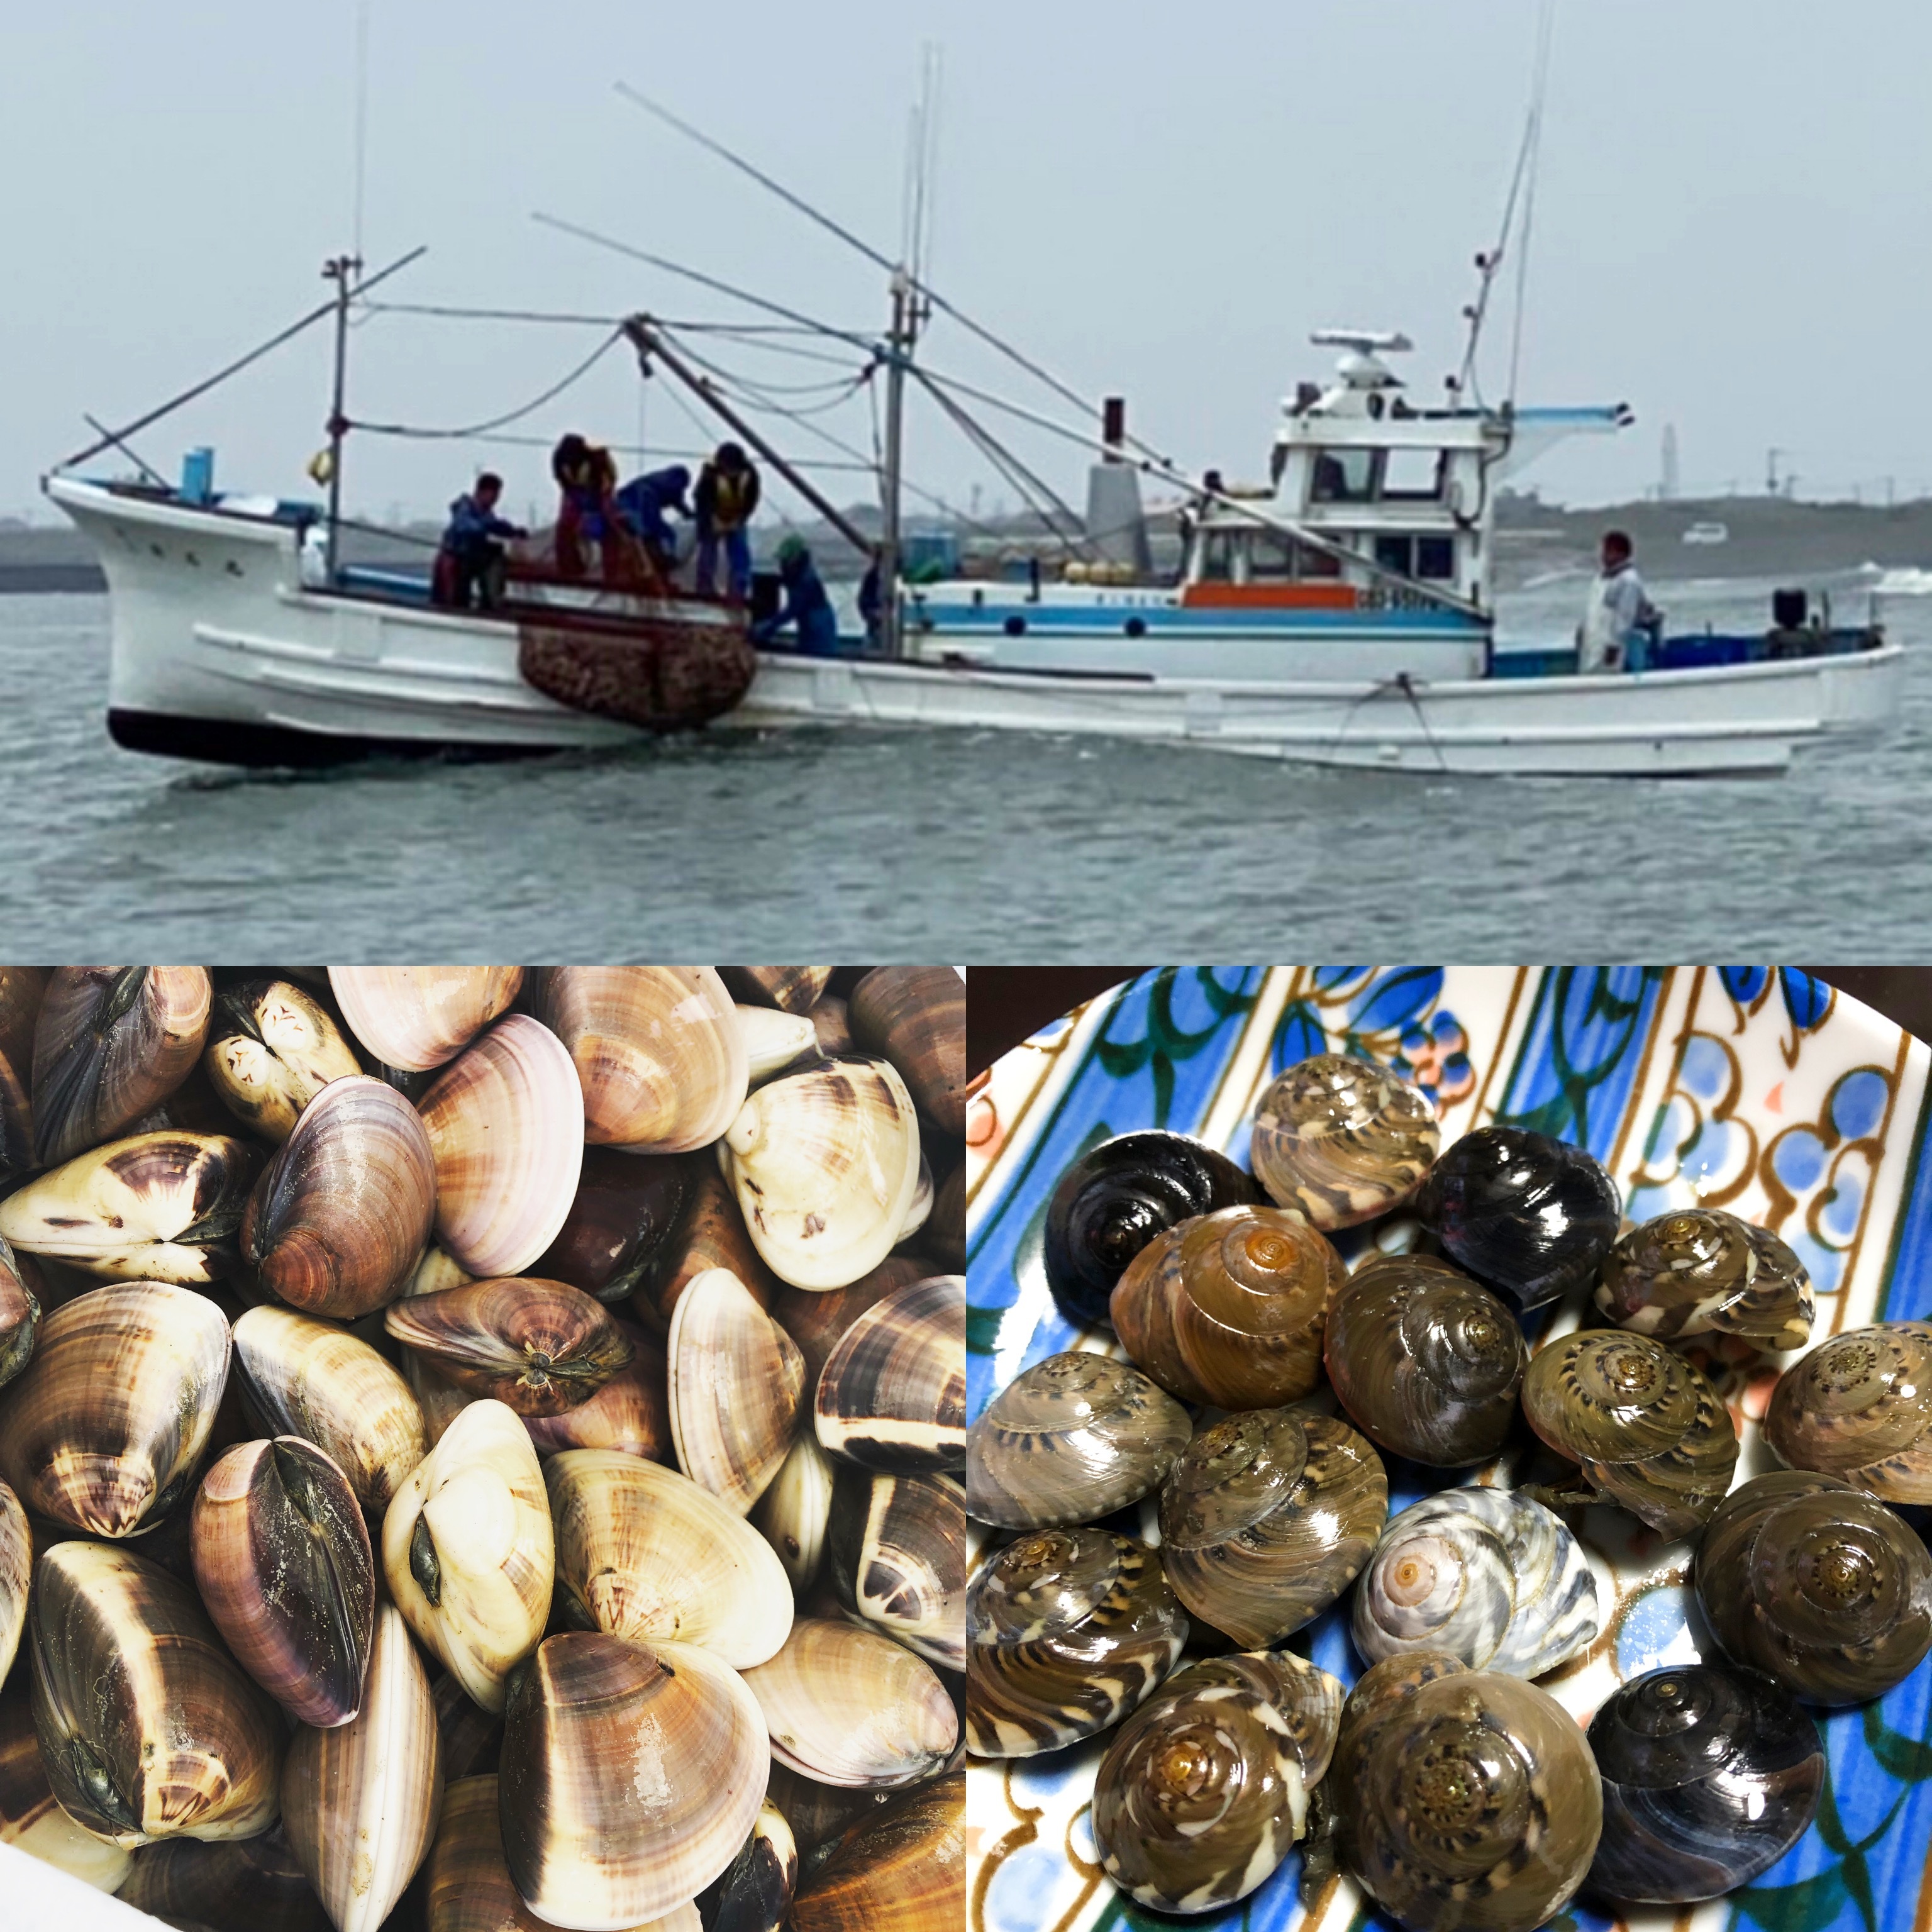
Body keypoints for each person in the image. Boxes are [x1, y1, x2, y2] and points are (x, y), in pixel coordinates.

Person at [433, 472, 526, 609]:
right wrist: (487, 528)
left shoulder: (488, 515)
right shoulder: (464, 509)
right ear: (482, 492)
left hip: (470, 565)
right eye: (493, 495)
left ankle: (490, 604)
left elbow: (496, 526)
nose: (495, 500)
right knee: (452, 601)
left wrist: (512, 531)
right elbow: (465, 526)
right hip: (455, 564)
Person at [1578, 530, 1660, 673]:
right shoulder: (1602, 579)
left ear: (1620, 554)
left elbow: (1624, 618)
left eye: (1607, 551)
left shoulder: (1628, 581)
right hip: (1594, 645)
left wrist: (1614, 646)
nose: (1602, 556)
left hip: (1612, 651)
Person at [750, 534, 838, 657]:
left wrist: (768, 625)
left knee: (818, 655)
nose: (783, 563)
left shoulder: (806, 580)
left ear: (796, 557)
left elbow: (793, 610)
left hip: (818, 624)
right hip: (809, 622)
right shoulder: (797, 574)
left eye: (786, 559)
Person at [550, 433, 623, 582]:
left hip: (599, 491)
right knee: (565, 528)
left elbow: (602, 487)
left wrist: (589, 513)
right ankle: (570, 568)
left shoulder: (597, 461)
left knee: (610, 530)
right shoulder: (559, 459)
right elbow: (564, 484)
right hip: (574, 491)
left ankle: (612, 573)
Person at [694, 442, 761, 601]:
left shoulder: (750, 474)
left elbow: (752, 499)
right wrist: (712, 520)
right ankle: (705, 588)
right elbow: (701, 499)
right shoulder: (709, 475)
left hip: (736, 517)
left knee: (740, 554)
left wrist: (741, 518)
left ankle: (738, 589)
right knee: (708, 552)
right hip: (711, 518)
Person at [613, 464, 692, 576]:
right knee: (660, 534)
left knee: (648, 534)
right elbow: (650, 514)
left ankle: (649, 564)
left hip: (627, 503)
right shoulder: (662, 486)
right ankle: (658, 562)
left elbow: (679, 504)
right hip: (637, 505)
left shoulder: (663, 482)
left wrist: (690, 514)